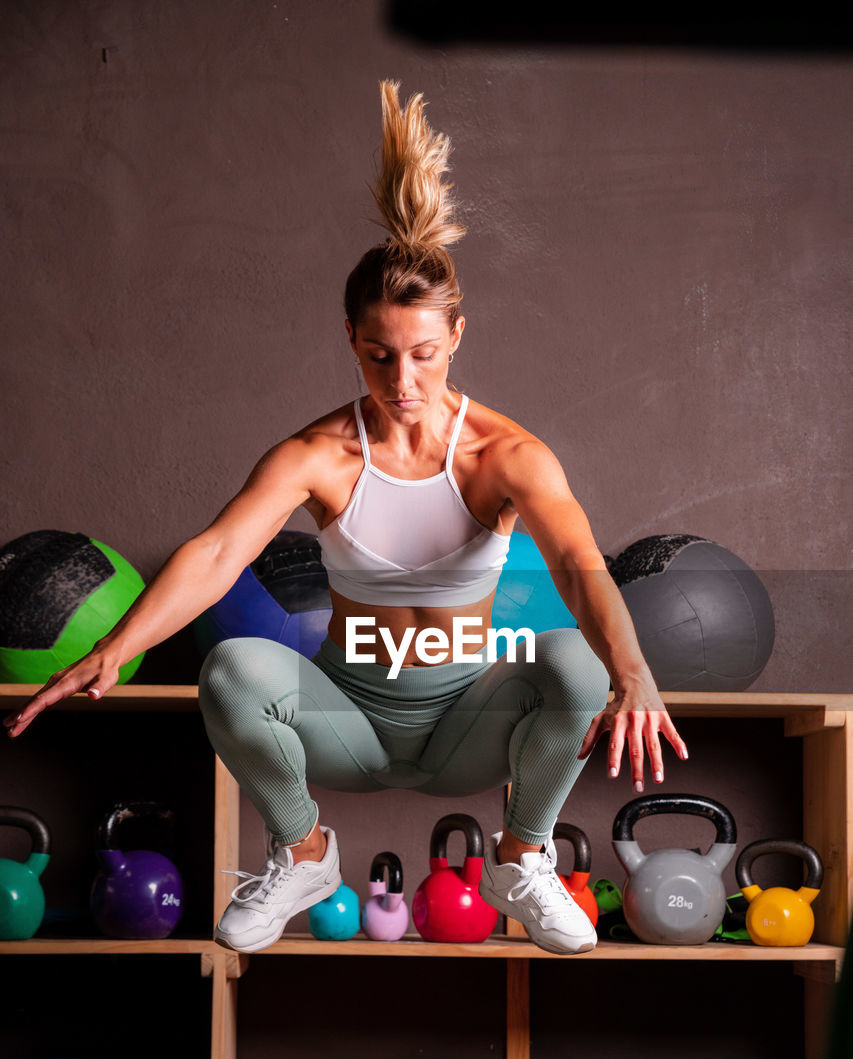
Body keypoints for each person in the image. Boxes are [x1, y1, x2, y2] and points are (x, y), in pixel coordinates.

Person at [4, 82, 687, 957]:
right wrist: (112, 650)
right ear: (349, 340)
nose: (402, 381)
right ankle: (305, 851)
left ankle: (520, 858)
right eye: (378, 356)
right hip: (347, 721)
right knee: (232, 669)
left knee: (577, 663)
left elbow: (580, 563)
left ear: (457, 338)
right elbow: (216, 552)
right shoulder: (318, 454)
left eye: (424, 355)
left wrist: (632, 670)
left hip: (465, 727)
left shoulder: (505, 456)